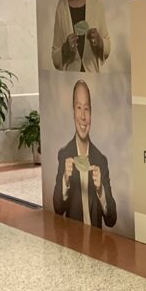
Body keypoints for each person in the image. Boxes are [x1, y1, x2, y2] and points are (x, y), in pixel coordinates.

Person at [53, 80, 116, 229]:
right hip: (73, 243)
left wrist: (101, 190)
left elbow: (112, 220)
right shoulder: (64, 155)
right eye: (78, 108)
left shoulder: (101, 160)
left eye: (86, 109)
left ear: (91, 113)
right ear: (73, 112)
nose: (82, 116)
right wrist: (65, 181)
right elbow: (57, 208)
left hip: (96, 247)